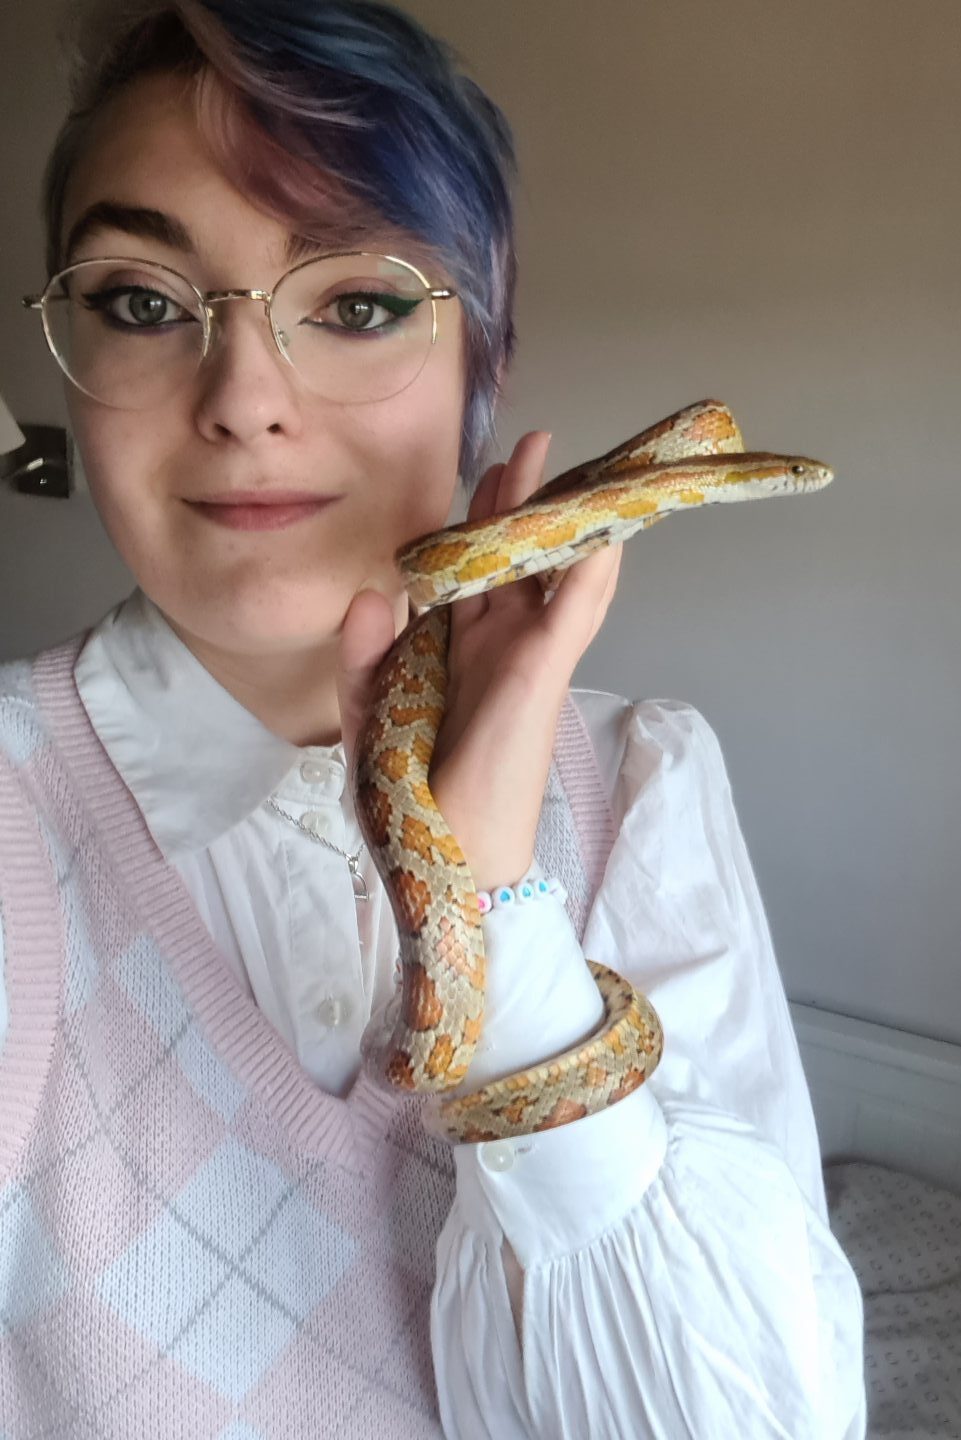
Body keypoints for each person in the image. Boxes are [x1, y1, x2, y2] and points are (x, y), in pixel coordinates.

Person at [0, 1, 866, 1435]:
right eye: (143, 301)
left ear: (486, 361)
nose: (245, 398)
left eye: (356, 302)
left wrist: (502, 927)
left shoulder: (646, 781)